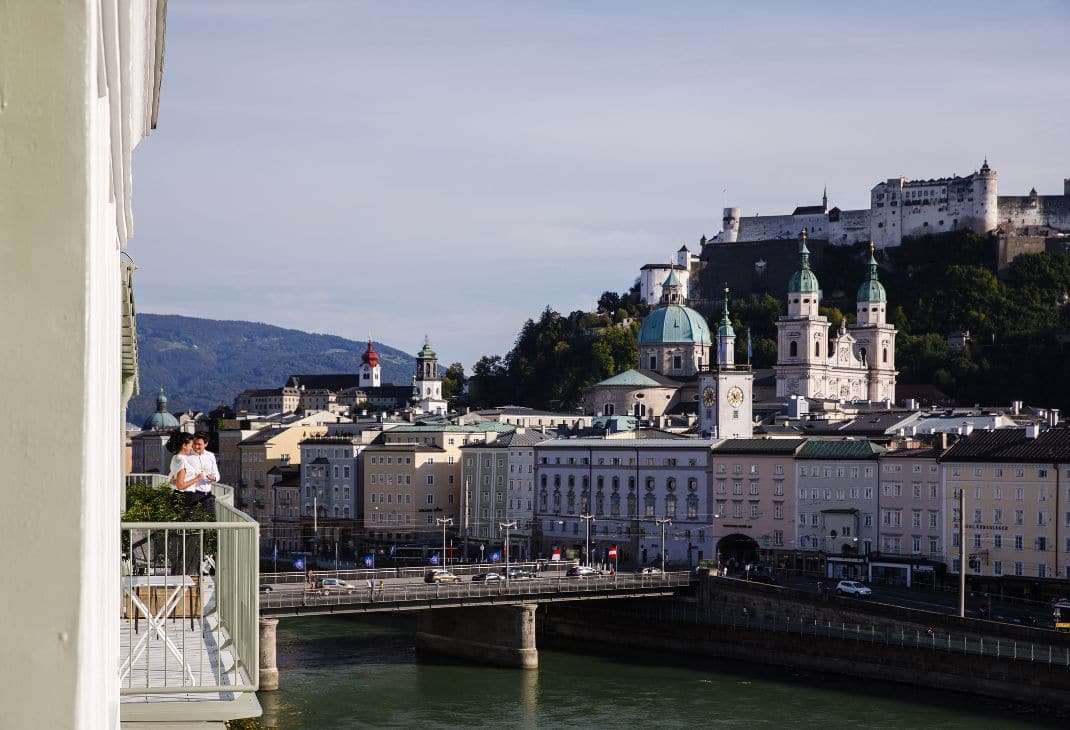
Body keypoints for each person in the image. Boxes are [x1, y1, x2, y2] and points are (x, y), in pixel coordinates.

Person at [187, 431, 219, 513]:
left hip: (208, 495)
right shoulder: (187, 456)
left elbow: (217, 475)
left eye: (199, 444)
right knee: (194, 522)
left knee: (211, 522)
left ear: (206, 444)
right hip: (193, 495)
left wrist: (213, 478)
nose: (196, 446)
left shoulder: (210, 456)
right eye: (194, 443)